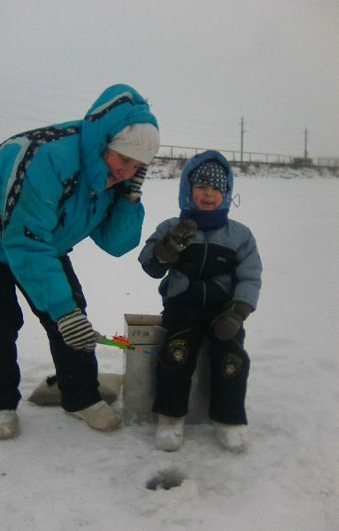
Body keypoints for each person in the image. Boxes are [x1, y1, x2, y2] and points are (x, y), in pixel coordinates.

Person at [0, 83, 159, 440]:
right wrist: (62, 310)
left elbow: (116, 243)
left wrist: (129, 197)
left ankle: (81, 397)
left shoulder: (113, 177)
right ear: (104, 142)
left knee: (71, 314)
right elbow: (24, 242)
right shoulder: (49, 156)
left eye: (139, 166)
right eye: (124, 160)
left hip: (40, 238)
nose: (126, 171)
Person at [138, 150, 262, 452]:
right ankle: (170, 417)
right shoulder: (172, 226)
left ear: (227, 193)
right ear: (187, 190)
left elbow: (250, 276)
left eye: (216, 188)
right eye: (202, 187)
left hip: (224, 313)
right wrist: (167, 249)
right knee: (176, 355)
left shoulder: (240, 235)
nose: (209, 194)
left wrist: (238, 312)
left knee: (232, 359)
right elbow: (149, 265)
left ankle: (229, 419)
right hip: (183, 309)